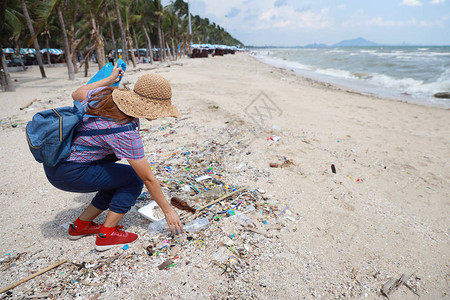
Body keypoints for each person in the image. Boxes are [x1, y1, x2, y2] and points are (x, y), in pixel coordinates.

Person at [43, 65, 183, 251]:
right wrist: (168, 211)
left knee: (117, 177)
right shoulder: (124, 129)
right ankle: (106, 234)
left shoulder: (106, 96)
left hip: (56, 162)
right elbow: (148, 178)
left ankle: (80, 226)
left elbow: (77, 93)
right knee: (133, 179)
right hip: (69, 172)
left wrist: (109, 79)